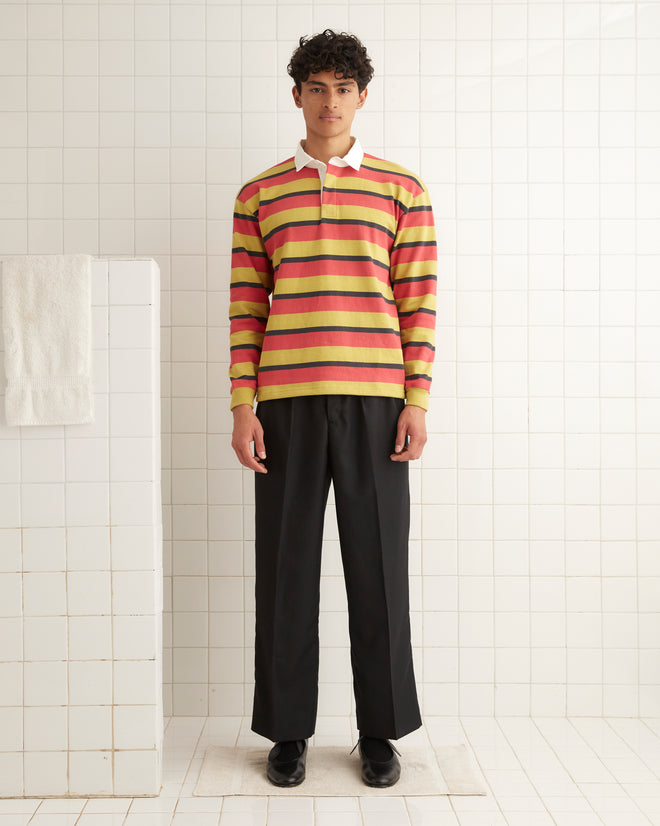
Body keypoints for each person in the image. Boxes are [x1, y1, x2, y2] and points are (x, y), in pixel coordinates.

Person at [229, 29, 437, 788]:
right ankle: (287, 733)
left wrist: (417, 400)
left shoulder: (401, 189)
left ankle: (380, 733)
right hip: (283, 403)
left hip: (378, 402)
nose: (329, 102)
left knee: (378, 569)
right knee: (286, 574)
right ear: (297, 96)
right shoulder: (260, 193)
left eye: (342, 89)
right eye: (315, 88)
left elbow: (418, 305)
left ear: (362, 97)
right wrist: (241, 404)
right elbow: (247, 306)